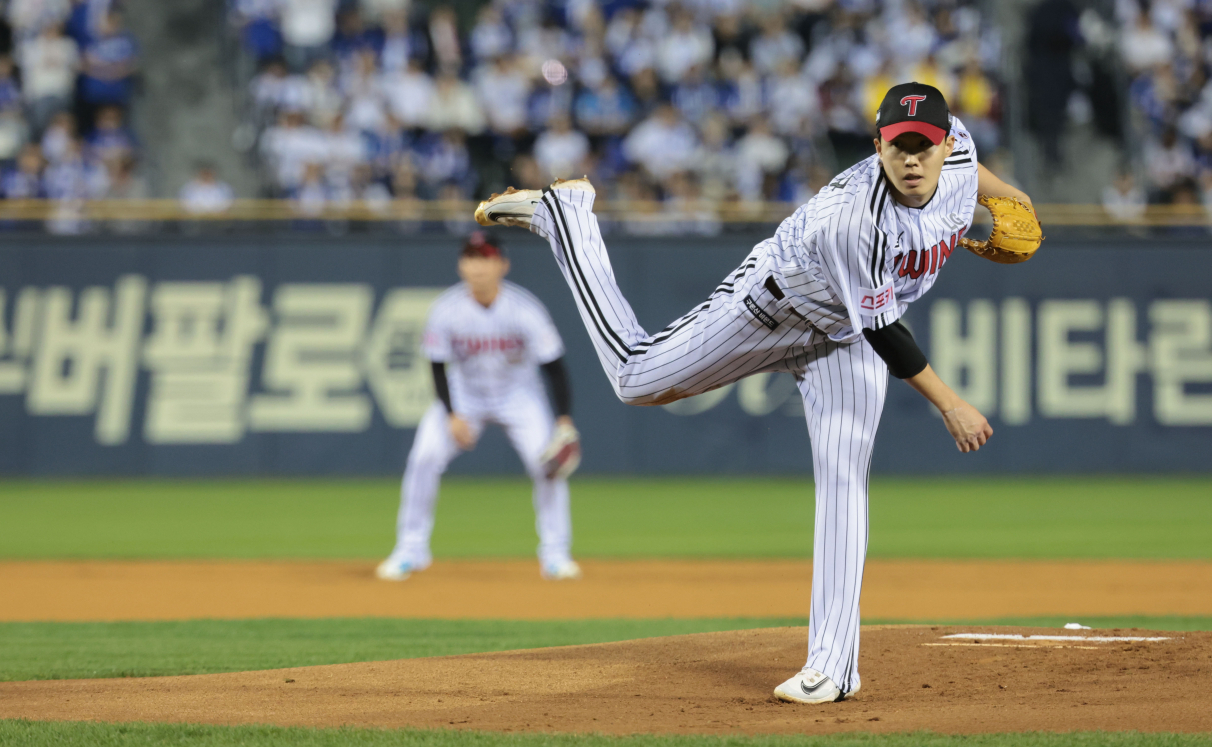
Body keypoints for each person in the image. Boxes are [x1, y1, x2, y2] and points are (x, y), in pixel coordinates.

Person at [475, 82, 1035, 703]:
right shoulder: (856, 219)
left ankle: (834, 666)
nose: (911, 159)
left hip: (842, 336)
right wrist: (949, 403)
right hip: (775, 306)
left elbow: (969, 172)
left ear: (945, 143)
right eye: (898, 145)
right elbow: (883, 329)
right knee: (635, 378)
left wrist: (1011, 196)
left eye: (923, 146)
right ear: (877, 145)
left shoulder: (956, 154)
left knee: (845, 474)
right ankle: (568, 219)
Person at [377, 232, 582, 583]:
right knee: (424, 456)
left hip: (519, 395)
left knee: (547, 464)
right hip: (464, 394)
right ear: (461, 265)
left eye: (486, 258)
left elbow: (554, 367)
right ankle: (410, 549)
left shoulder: (525, 309)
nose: (478, 266)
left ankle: (556, 554)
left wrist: (563, 419)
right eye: (471, 258)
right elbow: (436, 366)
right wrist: (452, 414)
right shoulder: (446, 309)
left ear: (503, 264)